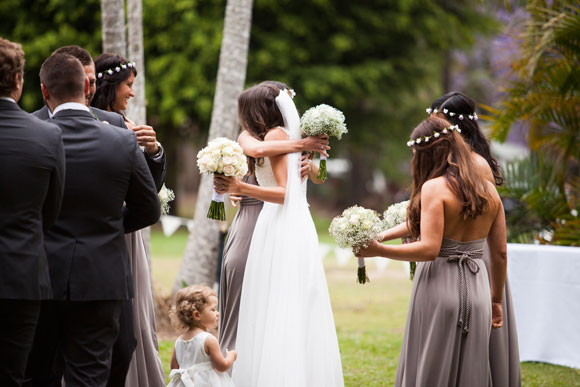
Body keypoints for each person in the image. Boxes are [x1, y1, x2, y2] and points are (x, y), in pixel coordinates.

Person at [31, 52, 160, 387]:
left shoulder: (32, 138)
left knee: (39, 372)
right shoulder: (121, 140)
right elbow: (149, 208)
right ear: (88, 85)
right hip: (101, 277)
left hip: (43, 275)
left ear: (45, 92)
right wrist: (107, 225)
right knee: (90, 375)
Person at [355, 116, 507, 387]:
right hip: (479, 290)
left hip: (439, 286)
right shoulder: (489, 192)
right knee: (471, 373)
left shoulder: (434, 188)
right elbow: (500, 254)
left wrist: (378, 250)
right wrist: (496, 300)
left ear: (427, 154)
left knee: (430, 367)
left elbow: (429, 248)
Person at [215, 83, 343, 386]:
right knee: (292, 298)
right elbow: (258, 152)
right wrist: (304, 147)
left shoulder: (275, 135)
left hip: (279, 220)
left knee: (275, 298)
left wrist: (241, 188)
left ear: (256, 112)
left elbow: (287, 191)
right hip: (297, 222)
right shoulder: (286, 136)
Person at [429, 91, 520, 387]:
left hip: (478, 265)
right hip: (457, 260)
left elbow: (484, 222)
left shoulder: (474, 164)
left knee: (482, 345)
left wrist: (495, 299)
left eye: (438, 121)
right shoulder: (450, 161)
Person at [92, 52, 166, 387]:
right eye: (129, 85)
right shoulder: (93, 124)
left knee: (130, 321)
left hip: (127, 229)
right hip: (98, 226)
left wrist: (153, 153)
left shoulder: (130, 127)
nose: (132, 93)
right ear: (109, 86)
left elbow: (148, 191)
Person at [0, 37, 65, 387]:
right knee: (14, 375)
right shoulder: (46, 136)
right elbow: (51, 210)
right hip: (23, 276)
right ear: (19, 82)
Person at [168, 285, 236, 387]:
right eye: (213, 310)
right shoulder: (208, 340)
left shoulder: (179, 341)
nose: (217, 313)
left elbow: (174, 368)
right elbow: (222, 366)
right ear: (197, 315)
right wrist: (231, 356)